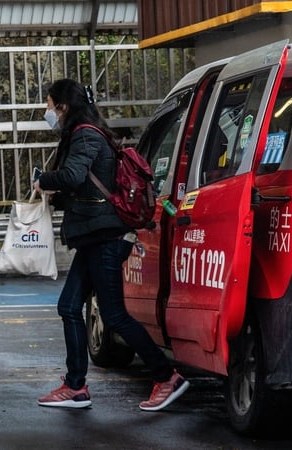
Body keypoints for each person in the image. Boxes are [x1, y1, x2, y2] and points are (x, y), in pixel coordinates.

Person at [33, 79, 189, 411]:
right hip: (94, 236)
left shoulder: (85, 134)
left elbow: (74, 176)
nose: (47, 111)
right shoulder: (86, 133)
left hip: (105, 237)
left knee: (114, 315)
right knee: (69, 307)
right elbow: (85, 188)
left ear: (63, 106)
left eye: (49, 105)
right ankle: (75, 387)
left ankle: (166, 376)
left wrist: (42, 180)